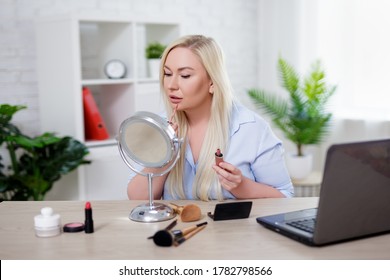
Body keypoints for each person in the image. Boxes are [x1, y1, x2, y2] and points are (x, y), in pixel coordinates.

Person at [127, 35, 294, 201]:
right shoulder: (160, 127)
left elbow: (285, 197)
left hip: (233, 228)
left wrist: (242, 186)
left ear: (212, 82)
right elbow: (137, 198)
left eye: (185, 75)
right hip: (176, 228)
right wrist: (162, 155)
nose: (171, 85)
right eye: (167, 74)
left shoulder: (251, 128)